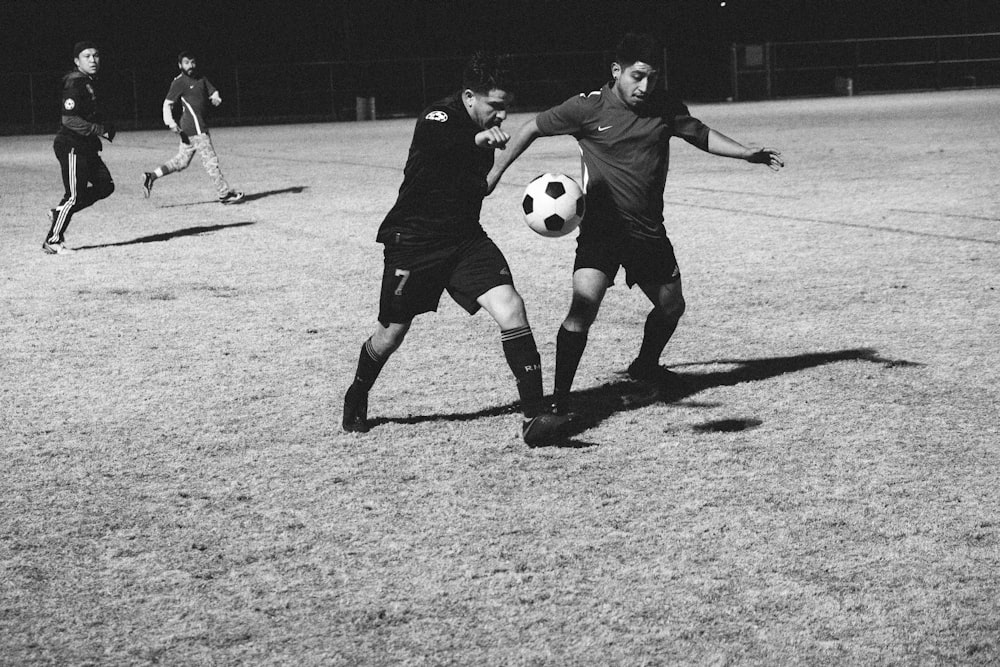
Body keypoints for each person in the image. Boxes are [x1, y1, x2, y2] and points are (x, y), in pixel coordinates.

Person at [487, 32, 784, 414]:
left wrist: (746, 153)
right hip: (602, 232)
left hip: (648, 233)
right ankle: (559, 401)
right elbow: (531, 127)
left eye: (653, 78)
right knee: (582, 310)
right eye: (637, 76)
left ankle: (646, 365)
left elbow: (700, 133)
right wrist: (495, 172)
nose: (645, 86)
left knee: (672, 307)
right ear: (617, 71)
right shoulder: (587, 108)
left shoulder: (664, 106)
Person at [342, 52, 570, 446]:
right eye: (494, 106)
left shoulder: (487, 131)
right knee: (391, 334)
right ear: (469, 96)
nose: (500, 116)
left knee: (512, 307)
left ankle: (533, 417)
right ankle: (357, 392)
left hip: (464, 239)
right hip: (413, 241)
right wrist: (478, 138)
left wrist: (492, 161)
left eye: (506, 108)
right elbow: (438, 141)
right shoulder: (439, 117)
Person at [141, 51, 244, 204]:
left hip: (191, 129)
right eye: (186, 62)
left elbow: (212, 91)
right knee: (211, 162)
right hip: (195, 128)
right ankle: (224, 194)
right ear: (180, 65)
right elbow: (167, 104)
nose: (190, 66)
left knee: (181, 162)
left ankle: (151, 176)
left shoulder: (201, 78)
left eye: (192, 62)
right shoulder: (179, 82)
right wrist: (170, 123)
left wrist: (216, 96)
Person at [44, 41, 116, 254]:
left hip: (86, 146)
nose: (93, 60)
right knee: (74, 196)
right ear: (77, 61)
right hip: (71, 145)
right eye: (87, 56)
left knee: (105, 186)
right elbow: (69, 120)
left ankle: (58, 212)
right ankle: (52, 241)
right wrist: (99, 129)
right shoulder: (75, 83)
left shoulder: (89, 81)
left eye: (96, 55)